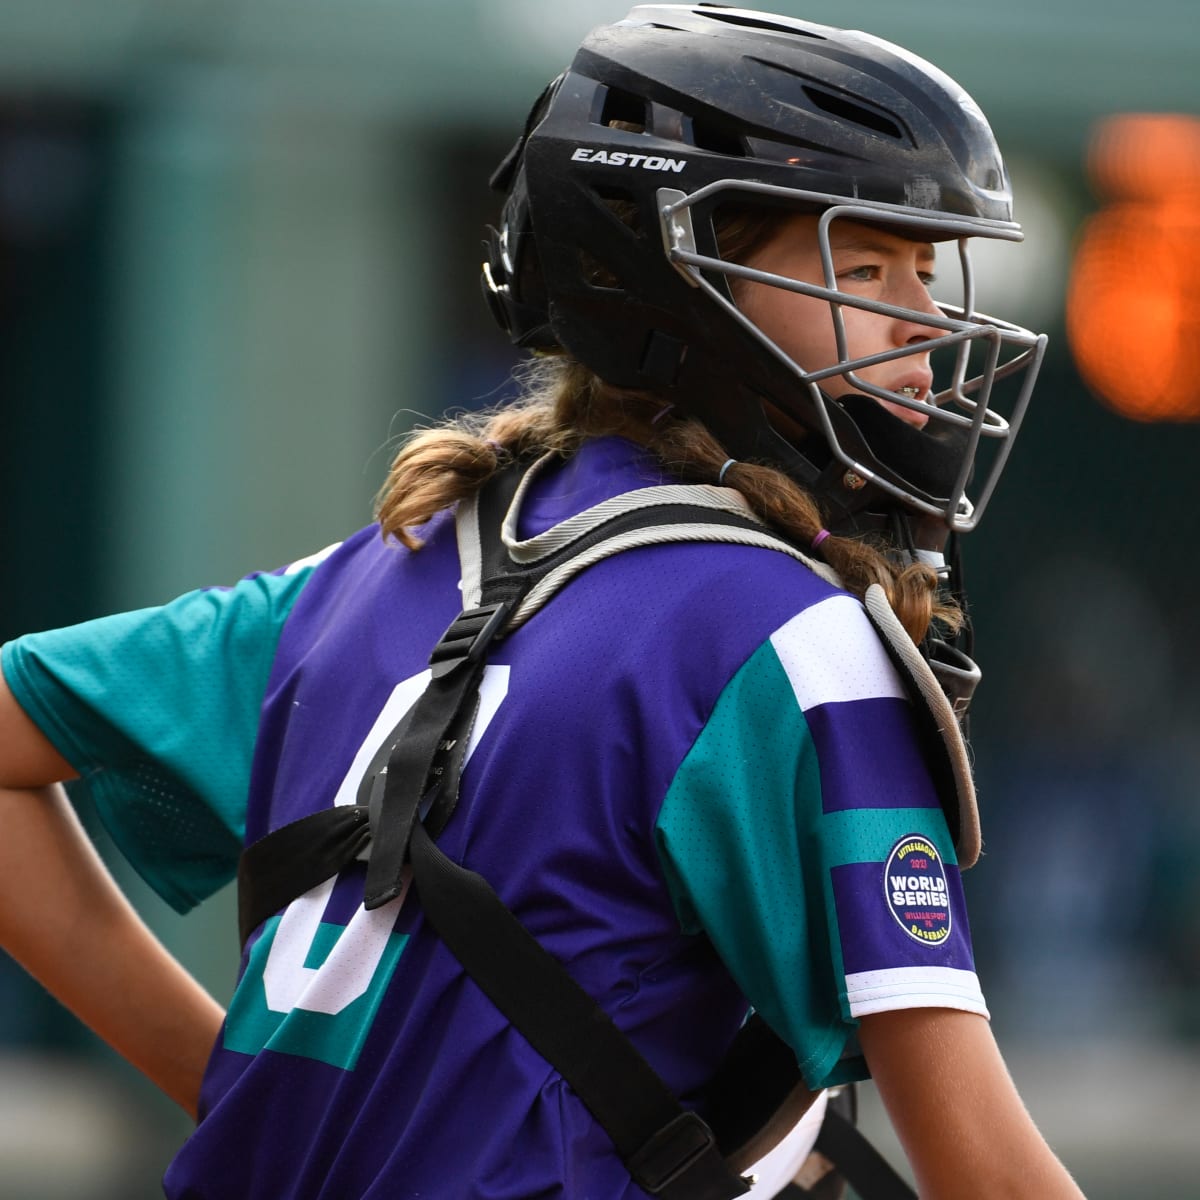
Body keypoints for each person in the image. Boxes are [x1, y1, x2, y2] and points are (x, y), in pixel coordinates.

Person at [0, 6, 1085, 1198]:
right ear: (671, 285)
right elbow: (981, 1168)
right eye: (863, 266)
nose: (924, 327)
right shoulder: (793, 641)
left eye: (926, 271)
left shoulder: (360, 577)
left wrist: (236, 1093)